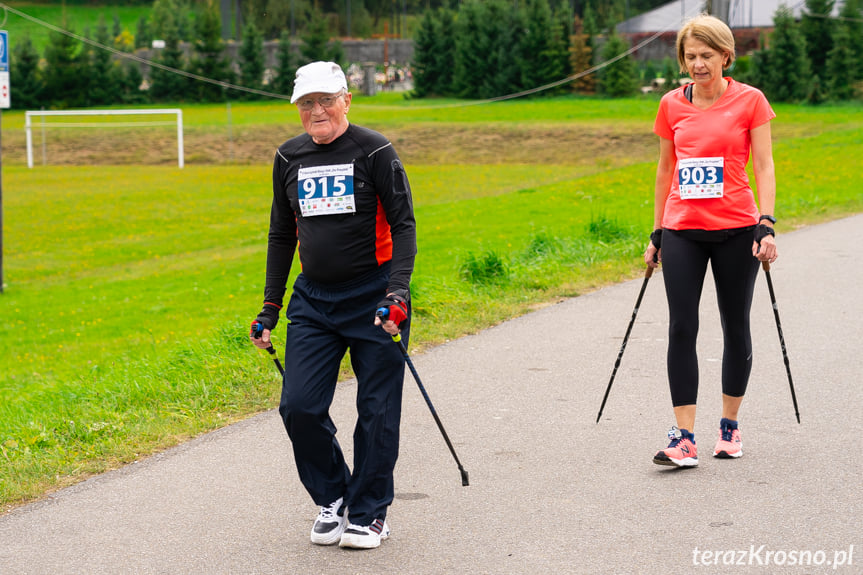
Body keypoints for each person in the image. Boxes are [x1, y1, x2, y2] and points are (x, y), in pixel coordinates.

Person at [249, 61, 417, 549]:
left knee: (377, 409)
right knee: (298, 406)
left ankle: (370, 512)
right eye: (307, 102)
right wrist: (270, 306)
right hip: (314, 300)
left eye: (325, 100)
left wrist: (398, 292)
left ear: (346, 99)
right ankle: (335, 498)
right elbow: (282, 234)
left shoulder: (375, 151)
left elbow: (405, 225)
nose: (316, 110)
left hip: (375, 295)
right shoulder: (288, 156)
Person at [644, 15, 778, 468]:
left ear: (726, 55)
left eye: (706, 55)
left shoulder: (750, 101)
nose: (697, 64)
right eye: (690, 56)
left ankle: (729, 425)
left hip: (737, 229)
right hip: (683, 228)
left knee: (734, 324)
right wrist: (657, 231)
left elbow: (764, 165)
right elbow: (666, 170)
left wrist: (766, 221)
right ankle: (684, 438)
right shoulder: (670, 104)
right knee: (682, 326)